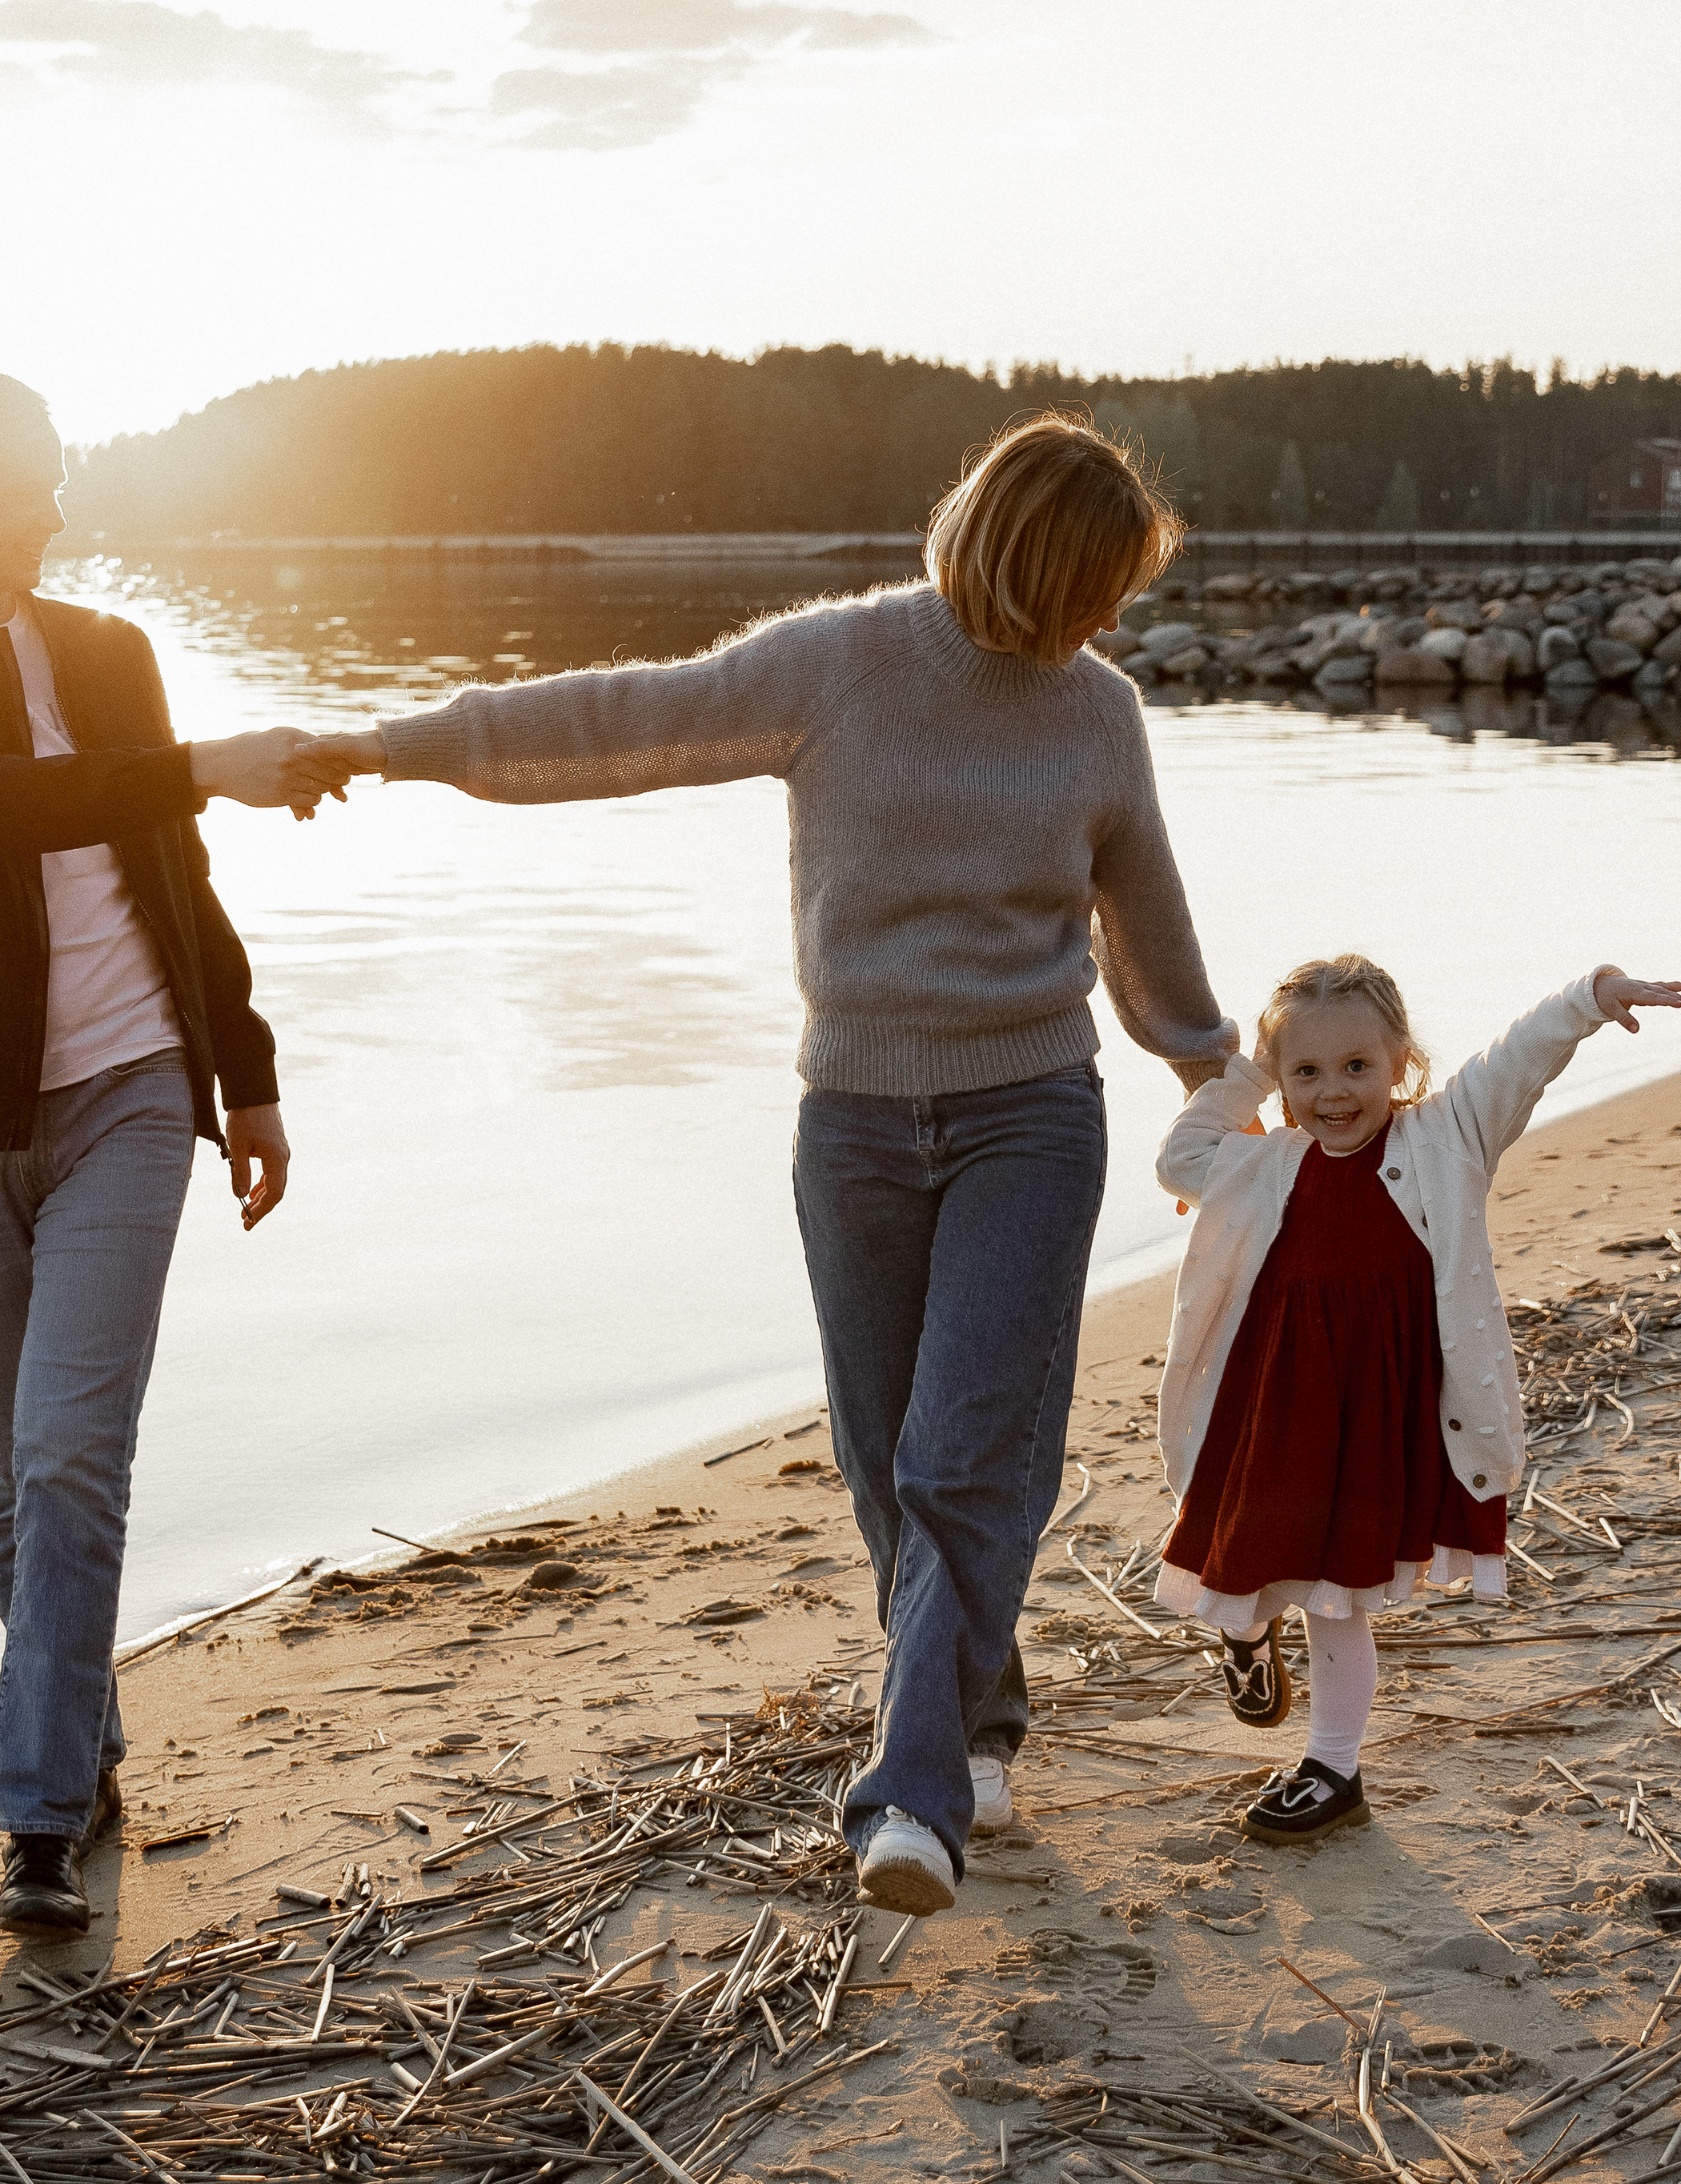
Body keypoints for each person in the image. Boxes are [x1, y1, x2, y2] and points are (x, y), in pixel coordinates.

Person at [302, 411, 1236, 1916]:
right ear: (1030, 556)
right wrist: (389, 744)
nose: (1114, 618)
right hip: (857, 1119)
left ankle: (911, 1798)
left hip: (1032, 1118)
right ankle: (978, 1721)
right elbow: (623, 721)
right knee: (884, 1462)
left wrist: (1224, 1079)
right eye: (1099, 583)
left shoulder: (1098, 714)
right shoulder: (840, 667)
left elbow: (1148, 926)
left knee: (964, 1460)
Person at [0, 366, 346, 1934]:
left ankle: (35, 1826)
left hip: (127, 1093)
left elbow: (170, 861)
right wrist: (202, 763)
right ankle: (81, 1751)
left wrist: (245, 1069)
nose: (54, 503)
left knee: (69, 1450)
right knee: (10, 1475)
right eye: (28, 476)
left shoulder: (108, 651)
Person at [1155, 954, 1681, 1845]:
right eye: (1307, 1071)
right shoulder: (1262, 1163)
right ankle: (1245, 1635)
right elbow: (1177, 1155)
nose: (1332, 1092)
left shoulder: (1448, 1138)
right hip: (1273, 1411)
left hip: (1375, 1420)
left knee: (1338, 1595)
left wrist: (1590, 998)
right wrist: (1244, 1068)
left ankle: (1334, 1766)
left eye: (1357, 1065)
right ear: (1281, 1082)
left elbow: (1519, 1056)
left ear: (1401, 1060)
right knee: (1248, 1560)